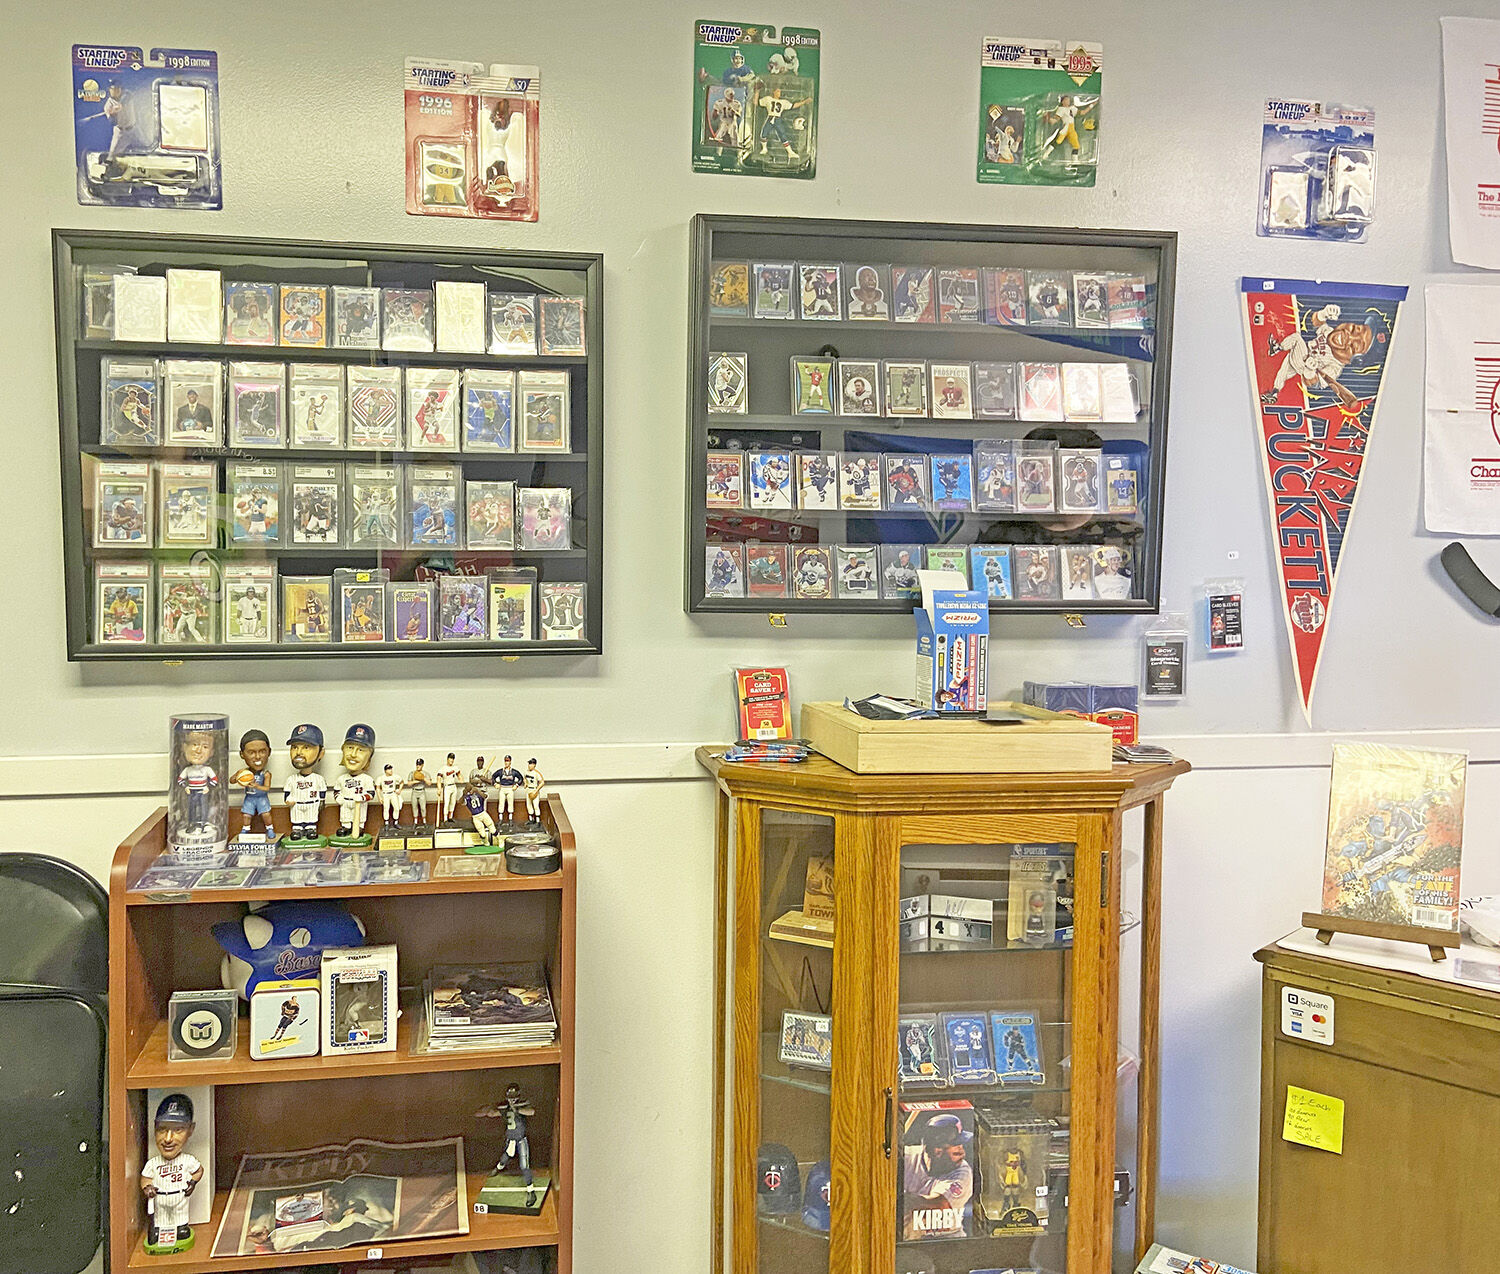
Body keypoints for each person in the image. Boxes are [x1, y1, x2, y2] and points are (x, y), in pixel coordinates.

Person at [140, 1094, 203, 1252]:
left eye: (178, 1130)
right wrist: (147, 1188)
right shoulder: (153, 1163)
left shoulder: (187, 1160)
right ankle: (159, 1232)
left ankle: (180, 1228)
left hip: (179, 1198)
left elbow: (198, 1171)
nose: (168, 1139)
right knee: (159, 1220)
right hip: (160, 1199)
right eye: (162, 1129)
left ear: (190, 1130)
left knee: (181, 1224)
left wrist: (193, 1183)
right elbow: (146, 1178)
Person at [900, 1111, 972, 1240]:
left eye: (962, 1144)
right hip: (911, 1240)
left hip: (947, 1240)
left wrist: (902, 1198)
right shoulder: (905, 1158)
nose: (962, 1151)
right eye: (956, 1146)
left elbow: (939, 1204)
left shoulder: (962, 1172)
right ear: (937, 1151)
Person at [236, 729, 273, 834]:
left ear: (269, 752)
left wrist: (256, 786)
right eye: (251, 752)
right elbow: (232, 780)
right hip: (249, 798)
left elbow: (266, 788)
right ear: (242, 754)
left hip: (262, 798)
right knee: (246, 815)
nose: (257, 757)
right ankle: (245, 829)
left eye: (262, 751)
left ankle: (270, 828)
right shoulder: (245, 772)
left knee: (266, 814)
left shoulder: (265, 774)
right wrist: (238, 776)